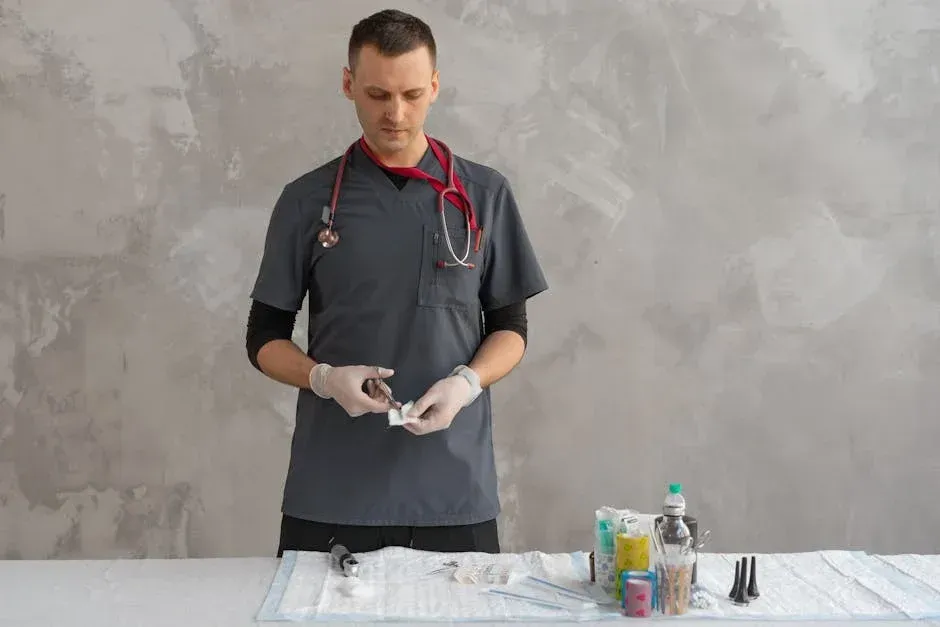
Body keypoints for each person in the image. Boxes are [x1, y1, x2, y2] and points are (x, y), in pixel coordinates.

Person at [246, 8, 548, 557]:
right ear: (348, 85)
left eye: (412, 94)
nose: (396, 113)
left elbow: (511, 328)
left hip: (454, 492)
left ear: (434, 86)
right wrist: (323, 378)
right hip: (332, 493)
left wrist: (466, 384)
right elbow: (262, 339)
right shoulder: (308, 202)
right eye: (378, 95)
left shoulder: (483, 195)